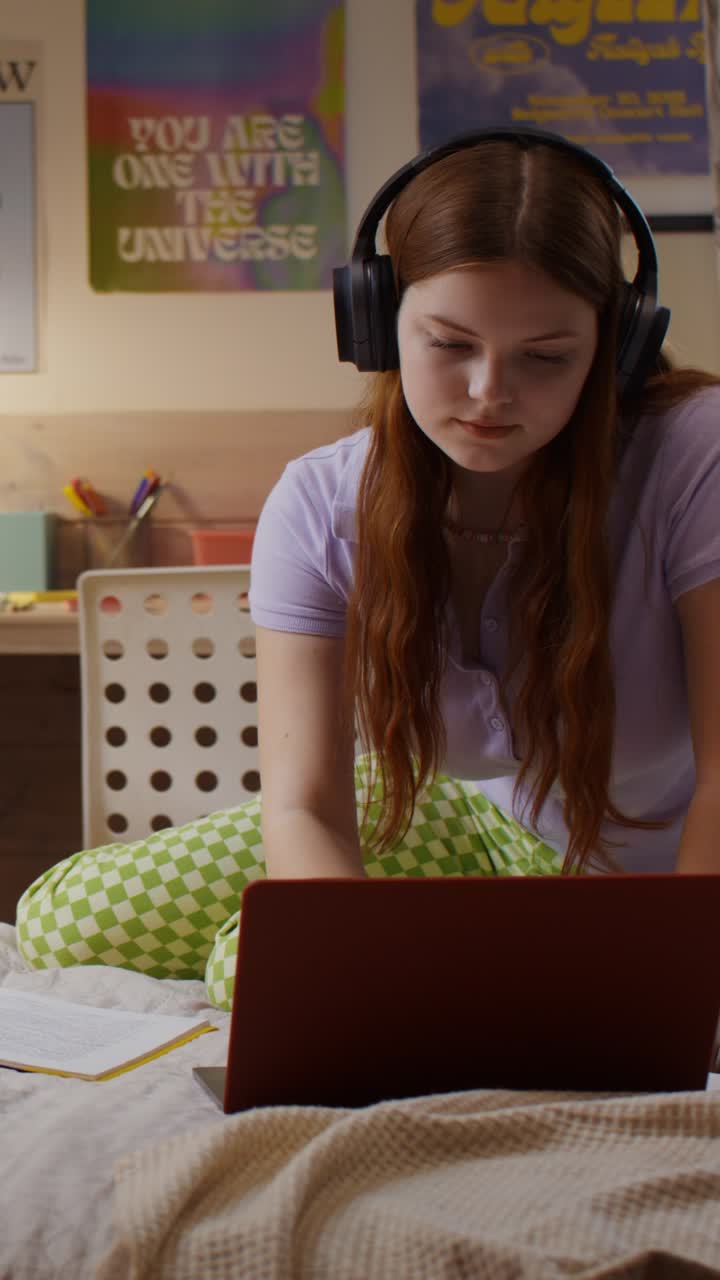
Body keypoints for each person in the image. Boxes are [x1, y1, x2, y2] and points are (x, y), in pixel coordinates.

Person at [15, 128, 720, 1012]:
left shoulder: (695, 455)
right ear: (377, 323)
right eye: (449, 343)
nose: (489, 391)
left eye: (546, 356)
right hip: (483, 822)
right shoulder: (320, 504)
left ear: (615, 346)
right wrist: (349, 961)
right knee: (64, 921)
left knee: (248, 970)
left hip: (666, 873)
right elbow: (305, 809)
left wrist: (684, 978)